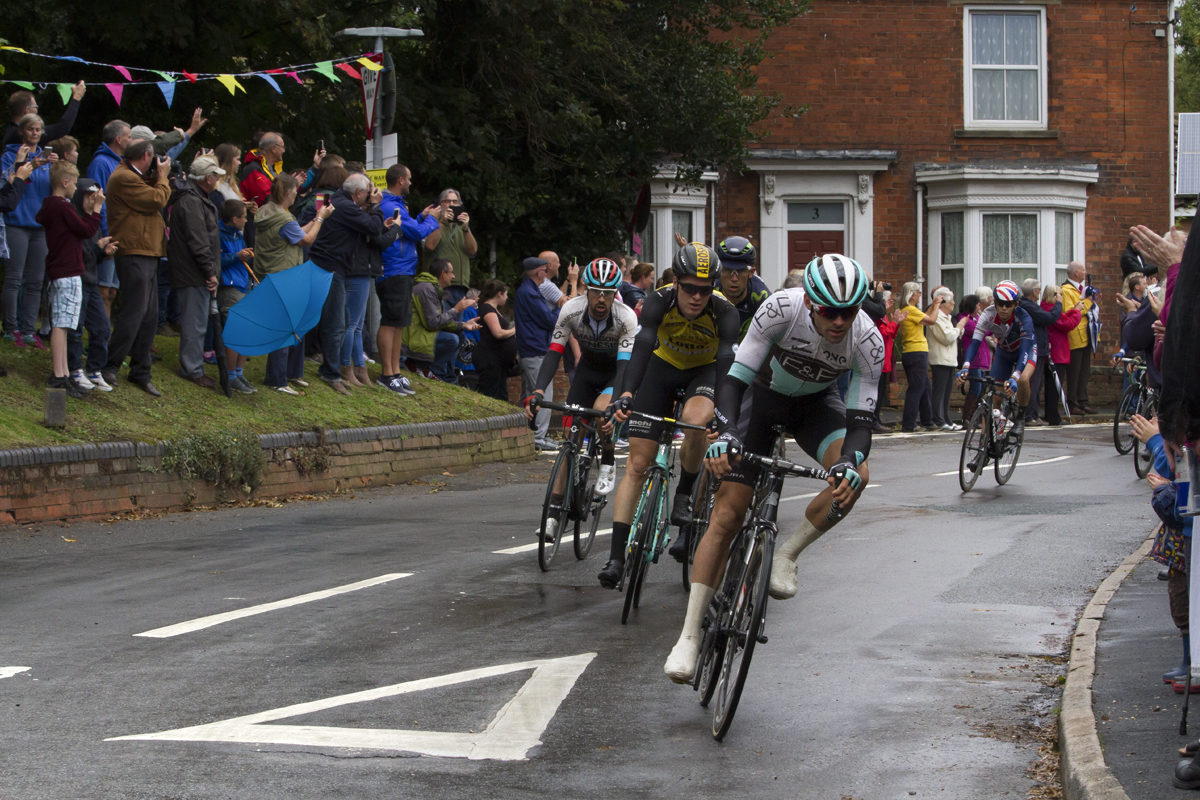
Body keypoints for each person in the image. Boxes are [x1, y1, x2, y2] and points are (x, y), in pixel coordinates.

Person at [663, 253, 883, 682]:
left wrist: (848, 463)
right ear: (810, 301)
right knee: (729, 513)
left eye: (848, 312)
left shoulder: (867, 340)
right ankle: (688, 636)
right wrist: (725, 433)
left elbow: (860, 424)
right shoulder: (782, 308)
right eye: (829, 311)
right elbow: (734, 379)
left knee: (860, 476)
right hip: (759, 400)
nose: (839, 322)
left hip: (816, 408)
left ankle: (787, 553)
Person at [599, 243, 740, 589]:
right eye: (689, 288)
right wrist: (628, 393)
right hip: (662, 368)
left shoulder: (725, 313)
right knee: (636, 463)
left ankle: (684, 495)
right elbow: (643, 346)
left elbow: (726, 372)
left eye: (704, 290)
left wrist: (722, 420)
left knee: (695, 421)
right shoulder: (658, 302)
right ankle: (616, 557)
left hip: (703, 374)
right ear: (676, 281)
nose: (696, 297)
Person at [525, 258, 637, 540]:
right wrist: (538, 391)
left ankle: (609, 458)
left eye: (608, 293)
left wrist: (616, 404)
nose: (601, 298)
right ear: (585, 290)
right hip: (586, 372)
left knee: (601, 413)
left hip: (614, 374)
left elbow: (624, 368)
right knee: (570, 439)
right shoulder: (570, 310)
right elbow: (553, 353)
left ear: (615, 293)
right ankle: (552, 515)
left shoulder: (626, 318)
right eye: (596, 291)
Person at [308, 173, 390, 395]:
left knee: (341, 320)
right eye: (368, 192)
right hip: (330, 267)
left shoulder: (337, 201)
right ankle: (331, 373)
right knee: (336, 323)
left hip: (331, 266)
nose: (370, 195)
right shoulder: (345, 206)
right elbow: (373, 228)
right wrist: (376, 206)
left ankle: (330, 368)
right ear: (359, 193)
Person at [255, 173, 332, 395]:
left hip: (278, 274)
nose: (297, 194)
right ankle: (277, 379)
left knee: (297, 325)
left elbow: (295, 232)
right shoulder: (283, 218)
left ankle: (291, 372)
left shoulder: (268, 211)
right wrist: (320, 219)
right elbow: (306, 239)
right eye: (295, 190)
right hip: (284, 276)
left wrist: (316, 216)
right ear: (288, 193)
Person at [35, 160, 103, 398]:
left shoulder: (54, 206)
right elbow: (86, 231)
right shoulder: (62, 206)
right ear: (64, 183)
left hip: (63, 271)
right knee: (62, 325)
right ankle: (58, 374)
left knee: (64, 324)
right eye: (74, 183)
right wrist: (96, 211)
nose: (76, 188)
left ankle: (63, 373)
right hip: (67, 272)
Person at [377, 164, 440, 395]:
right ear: (401, 180)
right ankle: (386, 373)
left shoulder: (397, 206)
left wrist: (420, 216)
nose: (411, 183)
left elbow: (409, 226)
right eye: (410, 179)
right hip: (393, 270)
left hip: (403, 270)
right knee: (390, 321)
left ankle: (395, 371)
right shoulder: (389, 205)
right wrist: (431, 220)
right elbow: (416, 232)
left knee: (400, 322)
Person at [2, 116, 60, 348]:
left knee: (36, 281)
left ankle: (28, 330)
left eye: (39, 129)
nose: (35, 133)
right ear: (22, 132)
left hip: (40, 226)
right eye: (31, 129)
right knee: (14, 278)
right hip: (16, 223)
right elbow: (7, 184)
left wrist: (56, 169)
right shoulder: (10, 156)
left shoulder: (48, 160)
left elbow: (58, 190)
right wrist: (24, 164)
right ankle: (10, 328)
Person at [956, 280, 1037, 443]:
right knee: (993, 398)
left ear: (1016, 304)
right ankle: (983, 445)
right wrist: (965, 366)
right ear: (995, 302)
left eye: (1008, 304)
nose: (1004, 308)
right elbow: (974, 343)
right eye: (1000, 304)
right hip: (1004, 352)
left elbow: (1024, 352)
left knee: (1022, 380)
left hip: (1025, 351)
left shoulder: (1024, 318)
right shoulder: (988, 315)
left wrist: (1014, 376)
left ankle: (1021, 417)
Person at [167, 156, 223, 391]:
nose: (219, 179)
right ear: (207, 178)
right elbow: (198, 240)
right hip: (193, 271)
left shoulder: (196, 197)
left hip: (195, 270)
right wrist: (209, 272)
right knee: (195, 322)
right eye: (216, 175)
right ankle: (191, 369)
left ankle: (194, 366)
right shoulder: (191, 201)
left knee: (198, 320)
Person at [66, 178, 116, 392]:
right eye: (89, 196)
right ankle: (74, 369)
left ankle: (94, 369)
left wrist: (102, 253)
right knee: (75, 330)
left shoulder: (92, 223)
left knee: (103, 328)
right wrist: (97, 249)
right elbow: (76, 256)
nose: (93, 201)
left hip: (90, 283)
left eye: (96, 197)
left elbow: (90, 258)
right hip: (75, 282)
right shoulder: (73, 219)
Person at [401, 258, 479, 381]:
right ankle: (421, 366)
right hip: (414, 336)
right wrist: (456, 310)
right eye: (451, 272)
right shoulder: (426, 289)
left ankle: (426, 368)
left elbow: (438, 321)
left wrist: (463, 325)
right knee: (452, 340)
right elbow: (434, 323)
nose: (453, 276)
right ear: (443, 273)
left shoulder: (434, 289)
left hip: (423, 332)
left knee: (460, 336)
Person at [86, 120, 132, 319]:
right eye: (129, 136)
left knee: (112, 291)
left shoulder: (121, 163)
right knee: (103, 289)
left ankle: (105, 337)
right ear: (118, 139)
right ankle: (99, 338)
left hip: (119, 232)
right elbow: (98, 201)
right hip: (107, 233)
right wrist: (107, 234)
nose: (132, 140)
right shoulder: (101, 163)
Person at [516, 256, 562, 451]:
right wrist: (562, 308)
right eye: (544, 270)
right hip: (535, 348)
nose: (546, 273)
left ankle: (533, 434)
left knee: (531, 394)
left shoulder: (528, 290)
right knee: (543, 392)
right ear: (537, 271)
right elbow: (549, 320)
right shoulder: (530, 293)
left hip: (530, 346)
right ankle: (538, 437)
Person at [217, 198, 257, 394]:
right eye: (243, 217)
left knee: (249, 329)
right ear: (234, 219)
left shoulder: (237, 234)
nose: (246, 220)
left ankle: (239, 373)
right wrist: (237, 256)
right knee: (236, 331)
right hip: (229, 287)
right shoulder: (217, 233)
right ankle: (230, 375)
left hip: (244, 285)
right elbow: (216, 260)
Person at [1017, 278, 1061, 426]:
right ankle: (1028, 416)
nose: (1040, 292)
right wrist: (1058, 304)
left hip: (1038, 347)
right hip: (1033, 349)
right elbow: (1050, 318)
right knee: (1032, 383)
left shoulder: (1029, 305)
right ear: (1034, 291)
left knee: (1036, 383)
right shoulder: (1028, 306)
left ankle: (1033, 414)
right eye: (1039, 289)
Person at [896, 282, 937, 432]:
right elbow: (931, 320)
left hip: (911, 352)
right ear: (912, 294)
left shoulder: (907, 310)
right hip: (917, 351)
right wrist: (937, 305)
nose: (920, 295)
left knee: (924, 386)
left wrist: (934, 304)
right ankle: (909, 423)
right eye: (918, 292)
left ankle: (927, 420)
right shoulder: (911, 310)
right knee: (916, 388)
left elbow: (926, 316)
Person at [1060, 261, 1099, 415]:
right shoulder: (1066, 290)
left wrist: (1095, 301)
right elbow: (1070, 311)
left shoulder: (1081, 290)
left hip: (1086, 335)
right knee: (1074, 373)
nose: (1085, 272)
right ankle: (1072, 403)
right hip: (1074, 337)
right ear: (1076, 273)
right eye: (1083, 269)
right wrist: (1089, 302)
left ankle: (1083, 401)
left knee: (1084, 372)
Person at [714, 235, 770, 340]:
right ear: (719, 271)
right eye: (727, 270)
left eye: (740, 271)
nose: (734, 278)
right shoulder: (710, 290)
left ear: (751, 272)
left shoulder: (762, 297)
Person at [1041, 284, 1080, 426]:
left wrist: (1073, 310)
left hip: (1052, 353)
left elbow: (1063, 318)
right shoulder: (1051, 309)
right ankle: (1053, 416)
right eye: (1060, 294)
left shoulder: (1045, 308)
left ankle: (1050, 414)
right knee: (1054, 387)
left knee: (1050, 385)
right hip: (1057, 353)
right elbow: (1067, 324)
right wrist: (1077, 313)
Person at [475, 279, 519, 401]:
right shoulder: (487, 309)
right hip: (489, 359)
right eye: (506, 294)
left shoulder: (494, 310)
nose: (507, 297)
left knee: (501, 394)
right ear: (499, 293)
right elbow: (498, 333)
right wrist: (515, 330)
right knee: (491, 394)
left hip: (498, 361)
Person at [423, 188, 478, 285]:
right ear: (440, 204)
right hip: (439, 284)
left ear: (460, 205)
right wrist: (442, 222)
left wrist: (466, 229)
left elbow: (472, 251)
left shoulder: (462, 224)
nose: (451, 204)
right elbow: (429, 246)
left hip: (461, 284)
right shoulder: (432, 220)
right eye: (447, 201)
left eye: (455, 202)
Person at [926, 286, 963, 431]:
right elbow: (947, 337)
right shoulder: (937, 317)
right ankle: (939, 419)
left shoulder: (946, 317)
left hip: (949, 359)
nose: (953, 303)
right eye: (951, 300)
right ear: (942, 303)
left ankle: (946, 418)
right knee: (939, 392)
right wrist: (959, 327)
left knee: (947, 393)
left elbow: (952, 335)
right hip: (940, 358)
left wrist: (957, 330)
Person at [3, 85, 85, 147]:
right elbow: (62, 128)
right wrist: (76, 98)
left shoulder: (13, 131)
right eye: (35, 107)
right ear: (27, 111)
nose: (35, 133)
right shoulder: (20, 133)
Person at [874, 290, 898, 432]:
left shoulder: (884, 315)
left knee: (881, 392)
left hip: (885, 359)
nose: (890, 303)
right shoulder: (878, 316)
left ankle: (877, 418)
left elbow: (891, 334)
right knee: (876, 392)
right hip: (880, 358)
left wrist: (896, 322)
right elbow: (883, 333)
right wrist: (894, 322)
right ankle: (874, 420)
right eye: (888, 300)